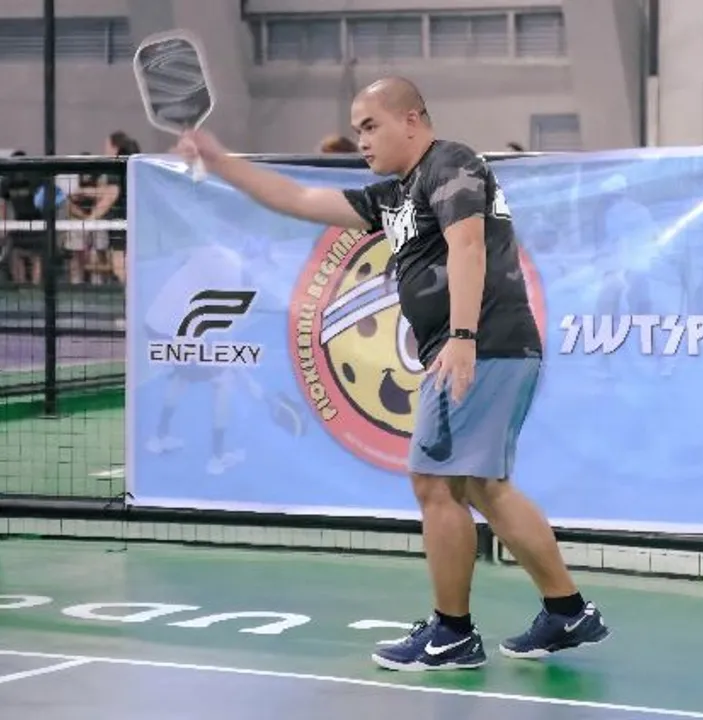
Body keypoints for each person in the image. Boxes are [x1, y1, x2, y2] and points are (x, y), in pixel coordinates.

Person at [175, 76, 610, 671]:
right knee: (482, 486)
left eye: (370, 126)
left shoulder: (450, 163)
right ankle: (567, 611)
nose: (362, 140)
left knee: (435, 484)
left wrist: (461, 338)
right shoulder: (393, 197)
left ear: (412, 120)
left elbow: (468, 247)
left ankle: (453, 633)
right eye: (357, 130)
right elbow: (298, 199)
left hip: (481, 345)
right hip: (486, 347)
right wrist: (220, 160)